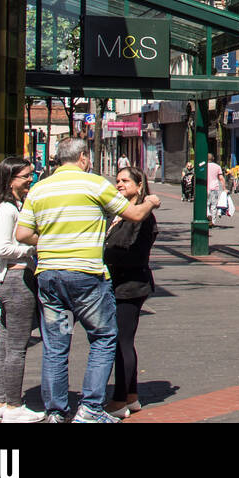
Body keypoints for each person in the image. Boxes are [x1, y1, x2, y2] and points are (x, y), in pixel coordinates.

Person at [15, 137, 161, 423]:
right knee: (104, 337)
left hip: (49, 276)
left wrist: (51, 240)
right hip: (86, 276)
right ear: (82, 157)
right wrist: (152, 202)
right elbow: (133, 213)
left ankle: (56, 412)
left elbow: (22, 234)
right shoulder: (94, 184)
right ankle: (90, 410)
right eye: (88, 157)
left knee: (56, 345)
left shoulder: (39, 188)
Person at [0, 157, 44, 423]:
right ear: (10, 180)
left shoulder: (8, 207)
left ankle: (0, 403)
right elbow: (0, 248)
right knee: (17, 348)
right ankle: (13, 406)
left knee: (5, 344)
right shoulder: (8, 210)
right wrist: (31, 248)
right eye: (25, 177)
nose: (29, 181)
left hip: (5, 280)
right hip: (16, 279)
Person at [104, 165, 158, 418]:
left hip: (130, 284)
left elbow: (129, 249)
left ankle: (119, 399)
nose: (119, 184)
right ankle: (131, 395)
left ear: (139, 185)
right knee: (123, 339)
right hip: (121, 282)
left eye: (125, 180)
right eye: (117, 180)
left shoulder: (141, 216)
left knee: (121, 340)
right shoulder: (119, 213)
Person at [205, 154, 225, 227]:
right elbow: (221, 178)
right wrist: (224, 188)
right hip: (214, 188)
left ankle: (208, 214)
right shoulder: (217, 167)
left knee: (206, 204)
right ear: (213, 158)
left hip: (205, 187)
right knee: (214, 205)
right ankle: (213, 221)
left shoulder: (204, 166)